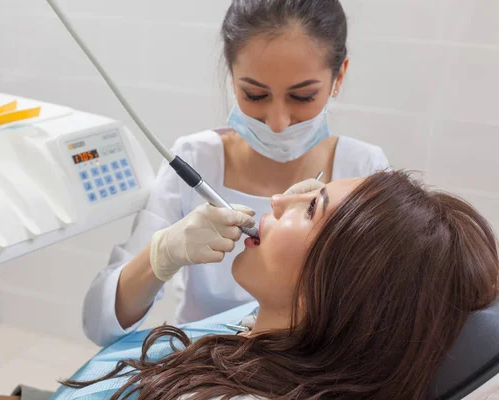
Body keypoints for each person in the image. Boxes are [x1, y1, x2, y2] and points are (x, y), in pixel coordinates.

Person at [0, 171, 499, 399]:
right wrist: (160, 256)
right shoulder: (275, 330)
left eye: (308, 207)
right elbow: (101, 319)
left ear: (343, 284)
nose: (274, 202)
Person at [83, 0, 390, 348]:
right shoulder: (195, 158)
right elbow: (100, 324)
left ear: (339, 76)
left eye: (302, 96)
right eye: (254, 94)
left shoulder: (364, 171)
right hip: (202, 370)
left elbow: (394, 315)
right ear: (232, 77)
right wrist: (162, 255)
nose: (278, 123)